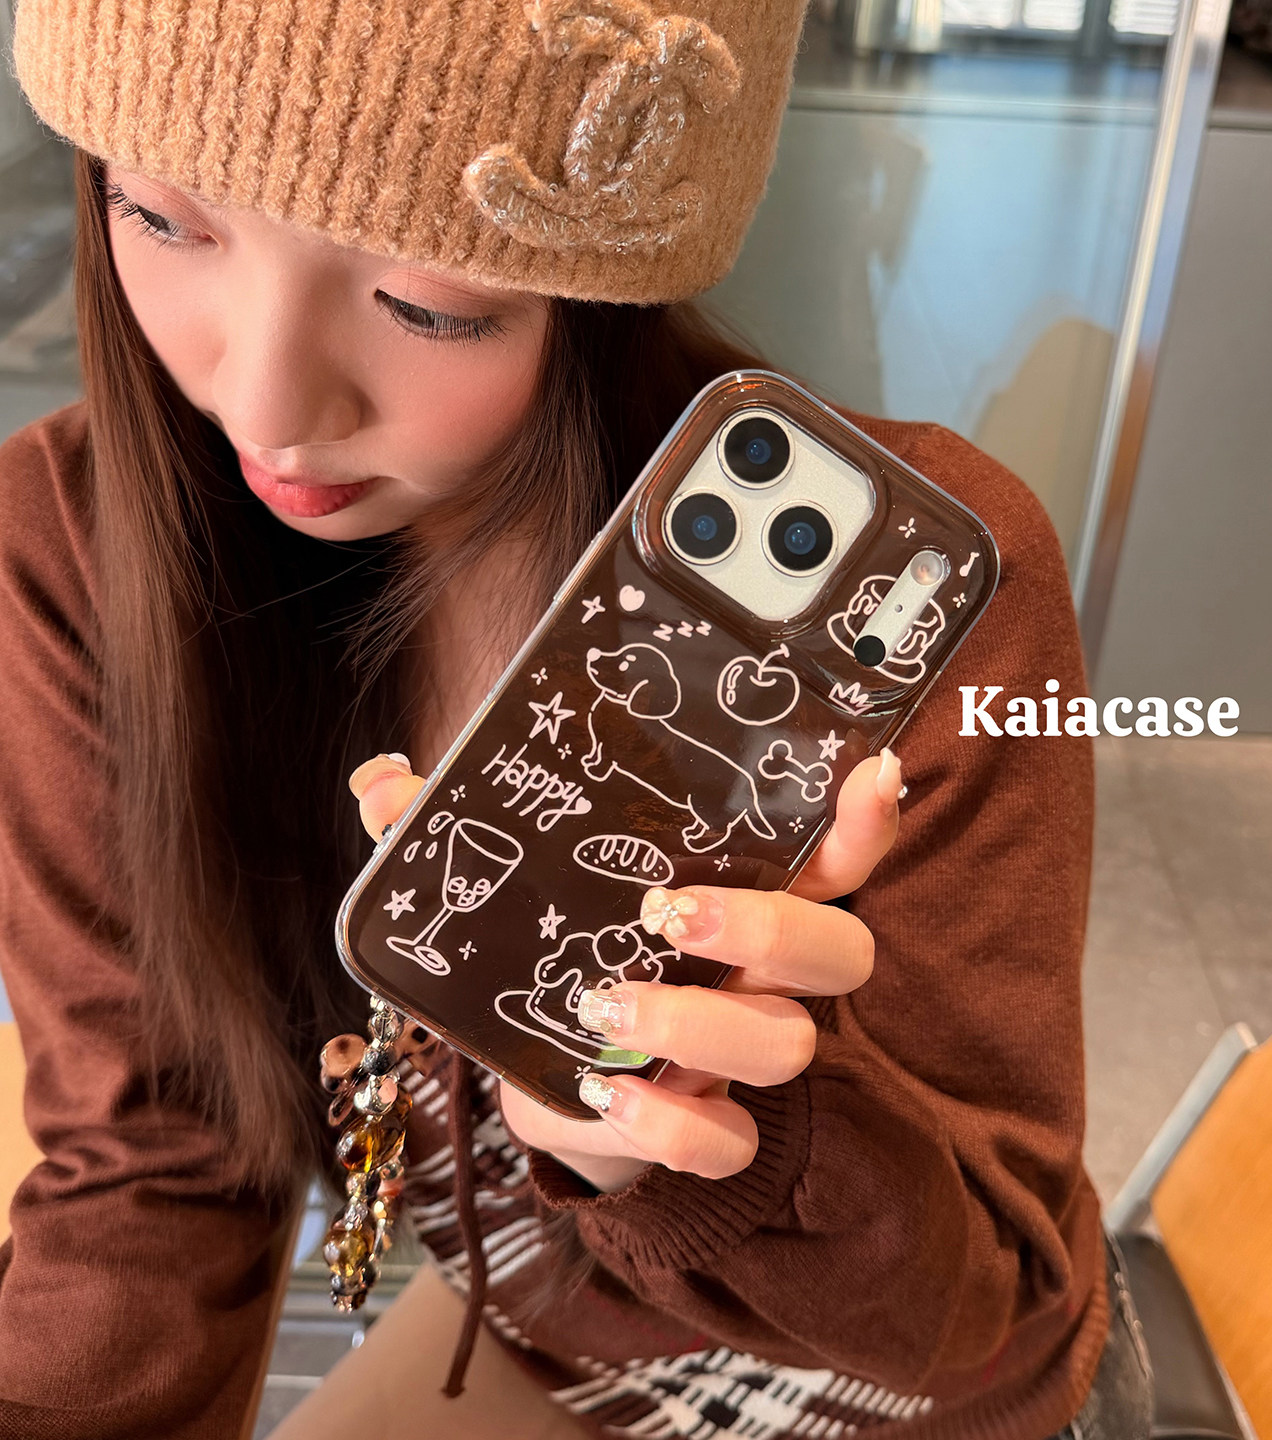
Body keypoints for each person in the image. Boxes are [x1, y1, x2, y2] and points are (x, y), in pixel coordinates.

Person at [0, 2, 1152, 1437]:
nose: (267, 402)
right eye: (161, 219)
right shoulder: (83, 550)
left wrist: (707, 1131)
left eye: (429, 304)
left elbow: (980, 1311)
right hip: (541, 1341)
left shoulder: (923, 604)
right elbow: (157, 1162)